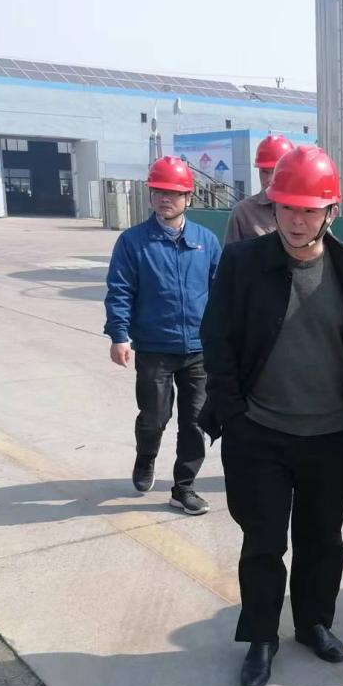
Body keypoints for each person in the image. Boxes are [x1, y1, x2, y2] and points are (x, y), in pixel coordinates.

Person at [199, 144, 343, 686]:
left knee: (323, 538)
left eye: (309, 210)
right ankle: (261, 637)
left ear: (331, 211)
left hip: (328, 435)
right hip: (259, 434)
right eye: (287, 208)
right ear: (273, 206)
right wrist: (234, 416)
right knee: (264, 542)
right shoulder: (244, 264)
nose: (296, 220)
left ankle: (314, 623)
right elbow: (216, 341)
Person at [104, 155, 221, 515]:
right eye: (158, 192)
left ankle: (183, 487)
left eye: (173, 192)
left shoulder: (206, 241)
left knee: (196, 422)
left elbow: (221, 293)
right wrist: (119, 335)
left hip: (198, 349)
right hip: (155, 348)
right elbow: (119, 290)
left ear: (188, 197)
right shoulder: (133, 242)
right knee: (154, 416)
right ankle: (146, 457)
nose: (165, 198)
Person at [223, 134, 295, 243]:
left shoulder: (307, 210)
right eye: (264, 172)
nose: (269, 179)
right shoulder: (243, 213)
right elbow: (230, 253)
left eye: (275, 171)